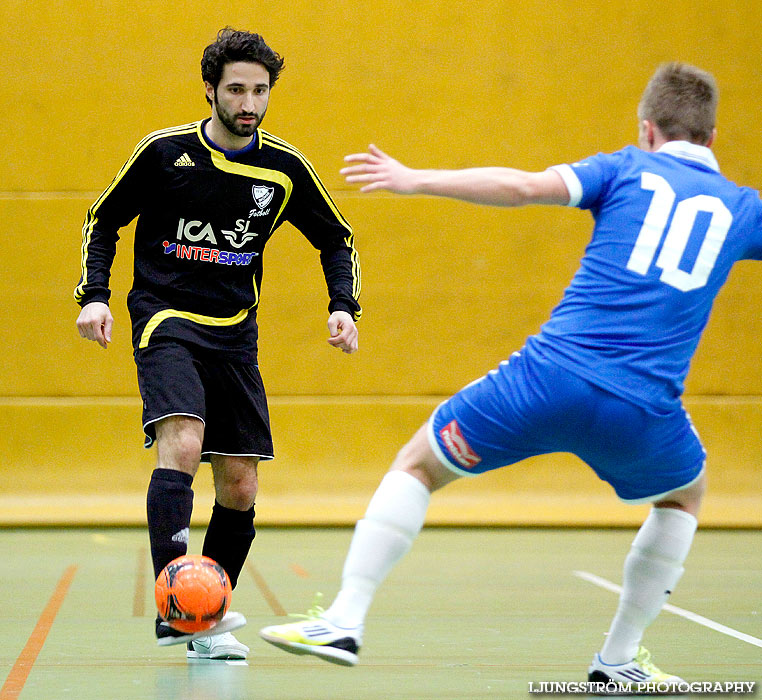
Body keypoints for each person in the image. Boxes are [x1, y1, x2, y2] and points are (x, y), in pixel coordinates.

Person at [259, 62, 762, 687]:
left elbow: (522, 187)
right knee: (684, 495)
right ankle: (617, 661)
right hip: (644, 411)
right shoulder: (745, 208)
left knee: (418, 464)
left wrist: (413, 179)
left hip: (548, 381)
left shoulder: (625, 168)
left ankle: (344, 617)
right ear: (713, 139)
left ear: (647, 130)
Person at [75, 27, 361, 661]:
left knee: (239, 487)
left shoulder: (283, 170)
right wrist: (94, 294)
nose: (249, 102)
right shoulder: (163, 153)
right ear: (210, 90)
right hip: (164, 316)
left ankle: (205, 616)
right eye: (236, 89)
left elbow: (335, 238)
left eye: (260, 90)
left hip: (234, 332)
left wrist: (343, 307)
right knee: (183, 439)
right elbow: (104, 217)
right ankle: (176, 606)